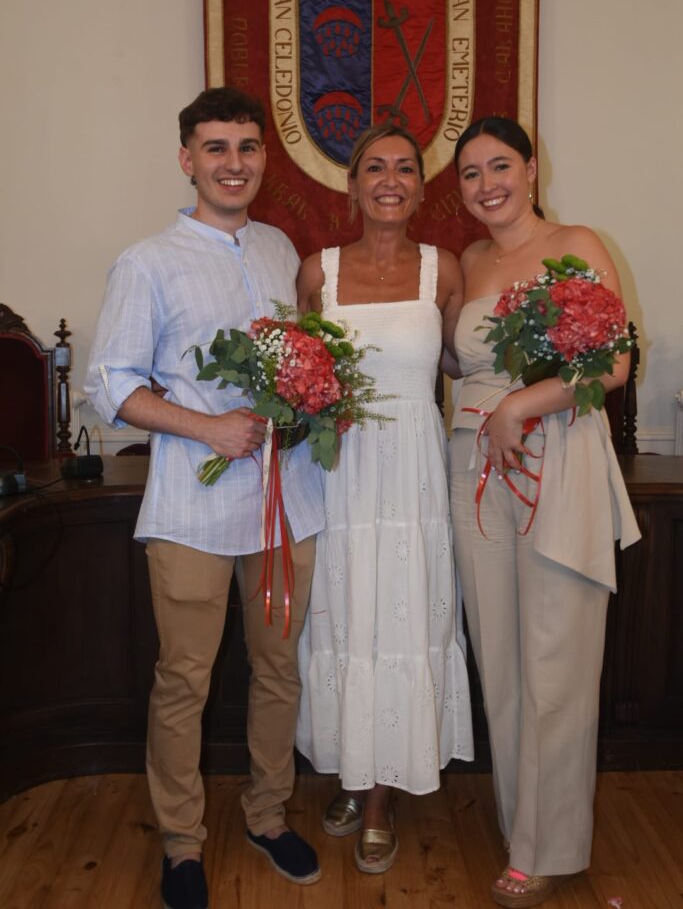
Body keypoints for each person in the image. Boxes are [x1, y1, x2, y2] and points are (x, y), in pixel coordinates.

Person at [84, 87, 325, 909]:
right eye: (216, 148)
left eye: (247, 147)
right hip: (193, 506)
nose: (233, 162)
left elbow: (298, 363)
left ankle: (267, 814)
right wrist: (206, 427)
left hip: (286, 502)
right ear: (187, 159)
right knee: (184, 678)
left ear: (264, 159)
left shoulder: (278, 249)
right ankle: (182, 844)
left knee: (279, 669)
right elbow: (109, 385)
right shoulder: (148, 261)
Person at [447, 116, 640, 907]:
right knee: (498, 657)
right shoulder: (468, 260)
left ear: (531, 169)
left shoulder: (577, 243)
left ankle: (548, 846)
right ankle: (518, 823)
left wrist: (519, 405)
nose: (486, 184)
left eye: (499, 165)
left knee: (556, 658)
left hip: (554, 453)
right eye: (469, 173)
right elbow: (456, 362)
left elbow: (613, 363)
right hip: (472, 466)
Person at [295, 123, 474, 875]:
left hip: (413, 472)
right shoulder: (317, 272)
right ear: (352, 184)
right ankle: (351, 769)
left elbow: (463, 362)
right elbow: (301, 373)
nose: (390, 181)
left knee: (403, 617)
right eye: (375, 168)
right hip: (340, 468)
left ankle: (379, 798)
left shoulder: (444, 269)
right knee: (346, 617)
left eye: (405, 168)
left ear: (422, 187)